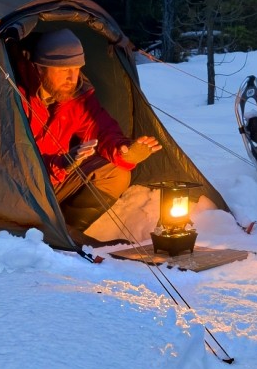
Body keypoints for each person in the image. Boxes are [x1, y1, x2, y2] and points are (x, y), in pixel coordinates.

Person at [19, 29, 162, 228]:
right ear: (40, 68)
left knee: (116, 173)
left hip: (54, 183)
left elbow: (101, 129)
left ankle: (66, 233)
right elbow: (10, 162)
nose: (72, 77)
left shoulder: (76, 96)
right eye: (63, 70)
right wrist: (61, 163)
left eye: (77, 68)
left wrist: (125, 151)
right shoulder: (14, 95)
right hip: (16, 193)